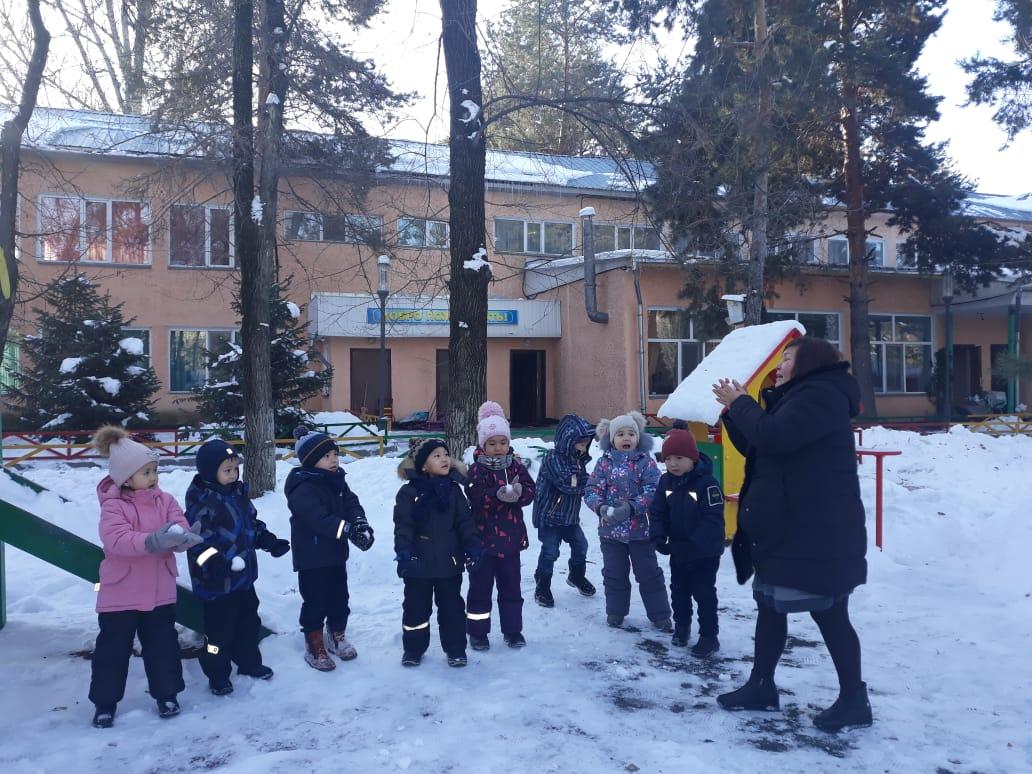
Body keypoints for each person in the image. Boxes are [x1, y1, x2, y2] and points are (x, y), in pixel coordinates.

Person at [712, 336, 871, 733]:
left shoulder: (821, 395)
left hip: (817, 531)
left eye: (786, 357)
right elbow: (760, 444)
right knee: (769, 606)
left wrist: (741, 403)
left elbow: (774, 436)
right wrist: (735, 413)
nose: (779, 365)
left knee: (829, 612)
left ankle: (854, 699)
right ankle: (761, 686)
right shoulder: (799, 396)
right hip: (788, 527)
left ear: (810, 362)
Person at [88, 426, 202, 728]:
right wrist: (150, 541)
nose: (154, 477)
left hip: (159, 592)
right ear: (126, 478)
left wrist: (185, 538)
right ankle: (105, 702)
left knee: (162, 646)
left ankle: (167, 694)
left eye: (155, 470)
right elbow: (116, 539)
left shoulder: (164, 500)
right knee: (112, 650)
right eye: (146, 472)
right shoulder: (113, 506)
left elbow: (177, 524)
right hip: (120, 594)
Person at [185, 439, 291, 695]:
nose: (233, 474)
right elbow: (195, 542)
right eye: (227, 470)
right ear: (210, 472)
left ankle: (248, 662)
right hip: (215, 583)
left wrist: (267, 540)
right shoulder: (201, 502)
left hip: (243, 579)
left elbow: (250, 524)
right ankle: (216, 672)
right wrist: (212, 562)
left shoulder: (238, 493)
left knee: (248, 623)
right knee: (217, 634)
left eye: (235, 469)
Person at [285, 427, 374, 671]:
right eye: (326, 456)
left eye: (335, 454)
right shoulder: (302, 487)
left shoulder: (337, 482)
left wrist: (359, 523)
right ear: (312, 461)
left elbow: (352, 503)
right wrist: (346, 530)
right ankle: (314, 644)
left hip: (335, 555)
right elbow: (318, 518)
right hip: (311, 558)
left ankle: (337, 635)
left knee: (339, 598)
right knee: (315, 601)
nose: (334, 459)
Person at [394, 438, 484, 667]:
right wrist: (404, 551)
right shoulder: (409, 493)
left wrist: (472, 544)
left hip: (449, 562)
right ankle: (414, 649)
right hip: (418, 564)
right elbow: (403, 525)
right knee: (415, 610)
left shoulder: (453, 491)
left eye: (446, 453)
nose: (444, 458)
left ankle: (455, 649)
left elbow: (464, 521)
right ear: (423, 465)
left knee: (452, 610)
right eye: (436, 455)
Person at [584, 410, 672, 631]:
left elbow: (654, 490)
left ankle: (660, 615)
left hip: (640, 532)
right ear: (611, 439)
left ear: (638, 438)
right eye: (620, 434)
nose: (626, 438)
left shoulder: (645, 463)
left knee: (649, 575)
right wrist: (601, 507)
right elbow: (592, 489)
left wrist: (632, 507)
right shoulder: (604, 464)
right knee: (614, 575)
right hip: (610, 533)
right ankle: (615, 611)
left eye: (631, 434)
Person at [464, 402, 535, 650]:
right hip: (483, 543)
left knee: (511, 590)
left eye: (502, 442)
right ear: (483, 445)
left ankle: (513, 631)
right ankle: (477, 632)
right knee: (480, 592)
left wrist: (519, 493)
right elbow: (474, 496)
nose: (498, 448)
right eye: (492, 443)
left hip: (510, 542)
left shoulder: (515, 466)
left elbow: (530, 491)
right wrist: (497, 495)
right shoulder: (476, 470)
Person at [650, 428, 725, 656]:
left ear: (692, 458)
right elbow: (658, 511)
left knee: (703, 592)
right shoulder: (667, 482)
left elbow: (712, 521)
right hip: (678, 549)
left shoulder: (707, 485)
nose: (673, 464)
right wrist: (658, 535)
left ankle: (709, 636)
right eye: (669, 459)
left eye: (679, 458)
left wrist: (691, 544)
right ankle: (682, 626)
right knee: (679, 591)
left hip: (704, 553)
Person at [531, 413, 598, 607]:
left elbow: (578, 481)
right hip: (550, 516)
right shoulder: (553, 459)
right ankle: (542, 583)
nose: (583, 448)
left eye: (586, 444)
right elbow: (568, 483)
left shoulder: (578, 460)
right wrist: (591, 481)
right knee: (550, 551)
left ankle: (576, 575)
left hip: (569, 517)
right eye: (579, 444)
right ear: (567, 441)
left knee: (581, 546)